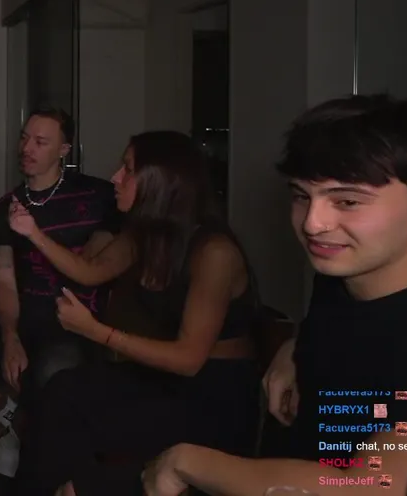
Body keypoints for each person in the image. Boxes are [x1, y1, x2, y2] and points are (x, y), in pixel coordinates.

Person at [142, 95, 407, 495]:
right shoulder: (349, 271)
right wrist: (297, 346)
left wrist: (183, 462)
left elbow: (366, 488)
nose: (312, 223)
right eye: (301, 195)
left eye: (347, 201)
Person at [15, 131, 260, 496]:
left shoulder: (214, 252)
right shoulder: (145, 233)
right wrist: (33, 233)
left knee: (74, 412)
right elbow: (89, 271)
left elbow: (189, 360)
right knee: (62, 391)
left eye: (128, 169)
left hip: (212, 397)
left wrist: (95, 331)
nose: (115, 177)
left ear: (160, 181)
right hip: (165, 380)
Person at [0, 106, 120, 496]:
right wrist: (10, 335)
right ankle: (14, 421)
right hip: (21, 311)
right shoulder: (4, 209)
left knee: (50, 384)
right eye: (24, 138)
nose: (27, 148)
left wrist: (33, 232)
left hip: (72, 322)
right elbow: (4, 280)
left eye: (41, 142)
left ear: (63, 149)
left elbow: (89, 269)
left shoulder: (98, 196)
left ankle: (21, 456)